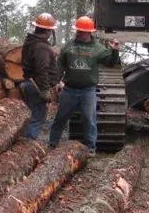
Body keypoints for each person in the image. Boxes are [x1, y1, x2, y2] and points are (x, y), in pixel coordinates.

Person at [49, 16, 120, 152]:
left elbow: (110, 63)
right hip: (69, 90)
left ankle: (91, 149)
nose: (78, 33)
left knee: (89, 121)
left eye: (81, 31)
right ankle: (52, 144)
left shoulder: (97, 48)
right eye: (78, 30)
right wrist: (56, 81)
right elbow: (60, 66)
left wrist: (115, 51)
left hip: (88, 91)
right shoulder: (69, 46)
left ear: (89, 32)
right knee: (60, 119)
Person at [19, 12, 59, 141]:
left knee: (32, 115)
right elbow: (42, 70)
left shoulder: (31, 43)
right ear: (48, 31)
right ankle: (28, 144)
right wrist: (45, 90)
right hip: (36, 86)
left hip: (30, 83)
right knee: (37, 117)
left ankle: (25, 143)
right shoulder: (42, 47)